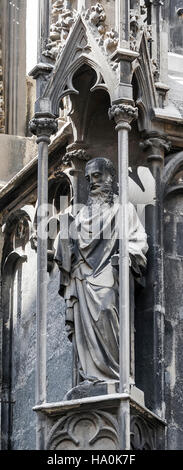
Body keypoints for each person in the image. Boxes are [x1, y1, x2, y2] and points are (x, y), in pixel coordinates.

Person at [55, 157, 148, 386]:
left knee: (107, 310)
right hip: (81, 277)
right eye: (88, 178)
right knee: (82, 329)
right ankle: (91, 374)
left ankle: (114, 376)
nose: (93, 182)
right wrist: (64, 240)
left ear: (110, 178)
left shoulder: (122, 209)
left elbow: (139, 241)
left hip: (108, 274)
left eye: (97, 176)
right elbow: (66, 248)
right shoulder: (82, 215)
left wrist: (128, 254)